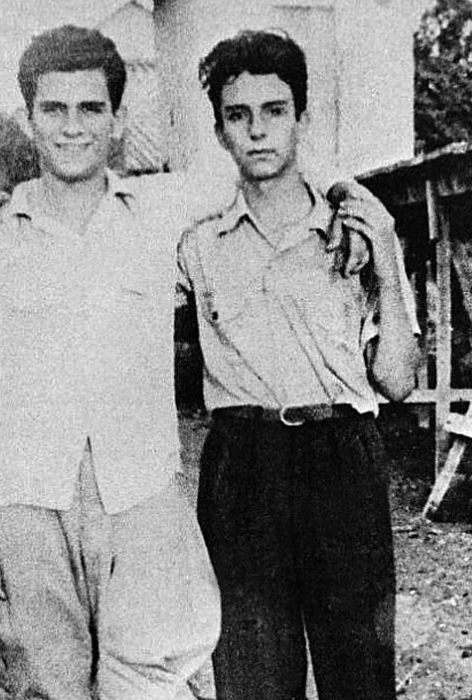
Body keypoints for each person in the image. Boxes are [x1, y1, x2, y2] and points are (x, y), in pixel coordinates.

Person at [0, 25, 221, 700]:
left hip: (139, 491)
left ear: (117, 122)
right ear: (30, 120)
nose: (72, 128)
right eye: (53, 110)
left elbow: (260, 171)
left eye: (91, 109)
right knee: (49, 687)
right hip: (25, 502)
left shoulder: (159, 212)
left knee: (150, 678)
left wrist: (350, 216)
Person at [176, 30, 420, 700]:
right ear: (221, 131)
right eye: (238, 115)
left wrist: (390, 257)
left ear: (302, 118)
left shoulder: (357, 232)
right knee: (253, 678)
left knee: (359, 676)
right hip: (242, 466)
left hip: (341, 458)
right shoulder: (193, 240)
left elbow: (398, 380)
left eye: (274, 110)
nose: (257, 131)